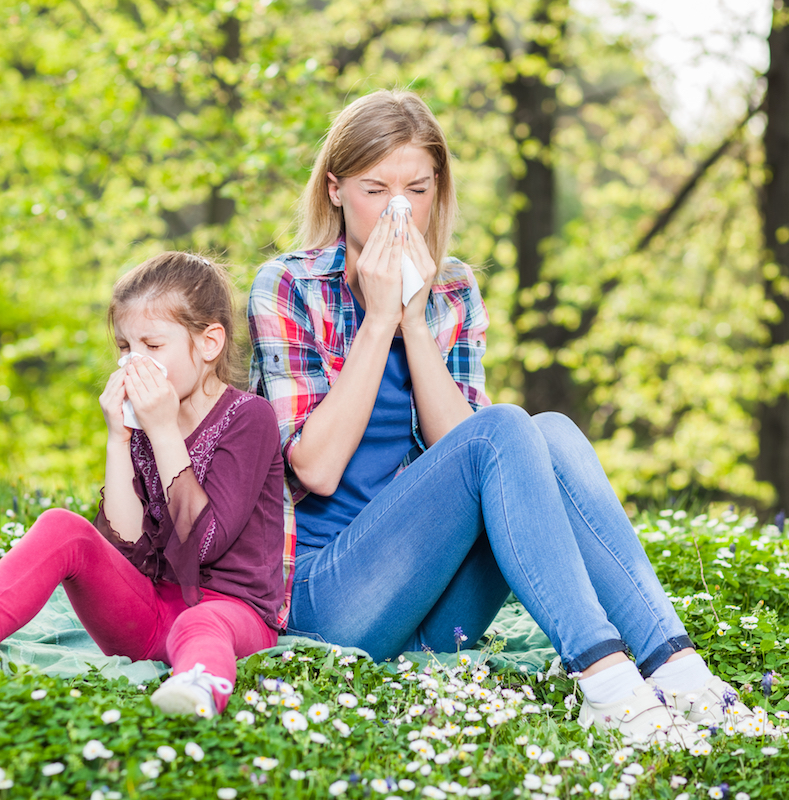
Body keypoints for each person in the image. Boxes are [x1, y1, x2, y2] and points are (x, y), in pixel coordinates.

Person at [247, 90, 759, 746]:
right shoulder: (289, 286)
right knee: (508, 425)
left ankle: (679, 670)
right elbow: (313, 468)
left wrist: (412, 315)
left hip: (432, 607)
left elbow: (469, 453)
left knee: (549, 433)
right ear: (337, 189)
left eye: (417, 189)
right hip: (329, 600)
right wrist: (378, 319)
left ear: (438, 191)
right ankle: (604, 681)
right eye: (376, 189)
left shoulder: (453, 287)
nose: (397, 211)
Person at [0, 252, 287, 717]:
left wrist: (163, 430)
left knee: (202, 623)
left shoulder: (249, 417)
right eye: (125, 348)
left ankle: (197, 687)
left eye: (152, 346)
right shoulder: (143, 425)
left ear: (209, 343)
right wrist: (118, 438)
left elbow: (204, 544)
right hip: (149, 618)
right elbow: (123, 551)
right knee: (63, 525)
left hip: (233, 616)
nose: (133, 363)